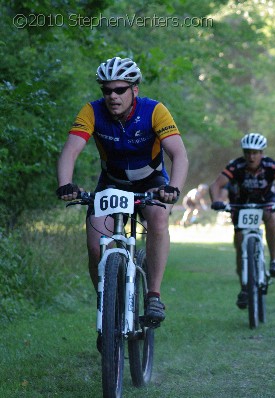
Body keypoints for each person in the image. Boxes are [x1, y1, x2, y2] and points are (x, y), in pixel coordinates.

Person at [56, 56, 188, 327]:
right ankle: (106, 304)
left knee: (159, 220)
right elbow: (71, 150)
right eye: (107, 90)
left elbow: (179, 155)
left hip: (151, 182)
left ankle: (153, 295)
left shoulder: (155, 111)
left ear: (134, 90)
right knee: (95, 246)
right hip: (111, 183)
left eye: (120, 89)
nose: (112, 96)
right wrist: (65, 183)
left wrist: (174, 188)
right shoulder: (92, 112)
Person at [209, 133, 275, 309]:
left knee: (271, 217)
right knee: (240, 242)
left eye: (255, 153)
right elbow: (216, 185)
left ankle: (274, 260)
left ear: (262, 153)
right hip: (241, 204)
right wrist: (216, 201)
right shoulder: (236, 166)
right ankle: (244, 287)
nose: (251, 156)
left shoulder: (270, 165)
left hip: (267, 201)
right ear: (243, 152)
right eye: (248, 152)